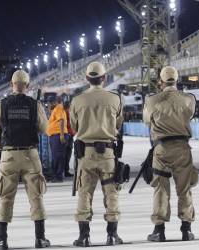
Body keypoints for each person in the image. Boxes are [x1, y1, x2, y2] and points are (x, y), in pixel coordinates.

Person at [0, 70, 50, 249]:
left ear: (11, 84)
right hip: (30, 155)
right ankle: (40, 239)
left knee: (5, 197)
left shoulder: (2, 103)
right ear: (28, 86)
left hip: (8, 155)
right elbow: (44, 128)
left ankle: (1, 240)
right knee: (36, 197)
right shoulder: (34, 104)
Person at [70, 62, 124, 247]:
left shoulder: (77, 100)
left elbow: (74, 127)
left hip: (86, 154)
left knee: (84, 193)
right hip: (108, 154)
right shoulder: (115, 99)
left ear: (87, 78)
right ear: (104, 77)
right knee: (111, 193)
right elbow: (118, 125)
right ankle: (112, 235)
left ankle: (84, 237)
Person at [143, 66, 198, 242]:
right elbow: (189, 116)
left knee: (160, 188)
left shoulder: (152, 100)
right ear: (177, 79)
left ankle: (159, 230)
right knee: (185, 188)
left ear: (160, 81)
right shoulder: (189, 99)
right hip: (183, 148)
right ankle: (186, 229)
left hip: (162, 149)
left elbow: (146, 121)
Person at [47, 96, 69, 182]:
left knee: (58, 156)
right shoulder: (55, 109)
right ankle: (55, 175)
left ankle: (58, 176)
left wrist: (62, 135)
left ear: (54, 102)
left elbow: (61, 121)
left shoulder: (58, 108)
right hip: (55, 135)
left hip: (58, 135)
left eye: (49, 103)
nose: (48, 105)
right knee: (56, 156)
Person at [63, 100, 74, 177]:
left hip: (68, 135)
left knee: (66, 153)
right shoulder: (67, 113)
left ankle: (65, 170)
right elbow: (69, 124)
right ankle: (65, 170)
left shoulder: (66, 112)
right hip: (68, 135)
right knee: (67, 154)